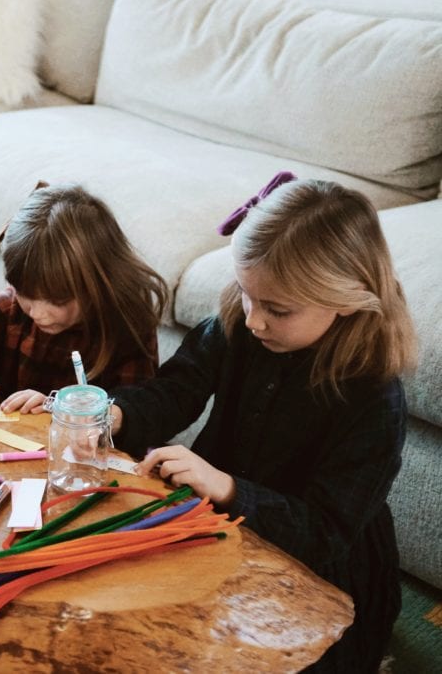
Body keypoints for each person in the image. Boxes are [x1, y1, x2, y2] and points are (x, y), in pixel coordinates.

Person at [109, 176, 417, 672]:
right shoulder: (240, 322)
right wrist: (114, 413)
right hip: (222, 528)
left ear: (346, 296)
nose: (255, 319)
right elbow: (174, 391)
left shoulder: (374, 395)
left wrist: (227, 487)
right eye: (247, 294)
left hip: (321, 571)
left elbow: (325, 533)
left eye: (278, 309)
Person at [0, 182, 168, 417]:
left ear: (98, 285)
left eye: (58, 300)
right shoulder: (8, 308)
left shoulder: (127, 331)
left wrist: (62, 412)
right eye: (26, 294)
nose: (38, 313)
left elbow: (135, 415)